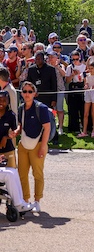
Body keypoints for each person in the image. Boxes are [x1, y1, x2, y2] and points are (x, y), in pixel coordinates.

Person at [13, 81, 51, 212]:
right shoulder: (20, 108)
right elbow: (20, 125)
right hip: (23, 144)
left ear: (34, 93)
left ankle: (37, 201)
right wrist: (17, 131)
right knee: (22, 174)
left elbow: (47, 128)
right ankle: (25, 200)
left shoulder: (42, 108)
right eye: (24, 91)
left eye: (30, 91)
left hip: (38, 144)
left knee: (37, 173)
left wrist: (43, 147)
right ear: (21, 93)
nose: (27, 94)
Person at [0, 91, 18, 168]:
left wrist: (6, 137)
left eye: (4, 101)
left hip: (8, 150)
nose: (1, 103)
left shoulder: (11, 115)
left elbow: (16, 131)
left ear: (8, 102)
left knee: (11, 174)